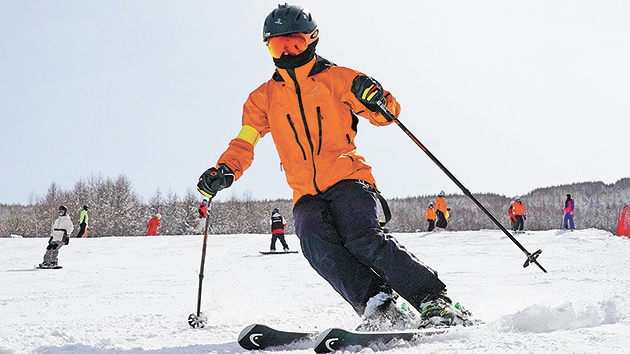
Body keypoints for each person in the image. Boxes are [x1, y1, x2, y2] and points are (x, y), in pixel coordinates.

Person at [196, 3, 472, 329]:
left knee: (363, 238)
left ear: (312, 40)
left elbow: (385, 113)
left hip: (347, 177)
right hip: (305, 193)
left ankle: (434, 300)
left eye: (294, 43)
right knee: (315, 247)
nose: (286, 53)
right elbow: (245, 141)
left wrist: (374, 96)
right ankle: (380, 307)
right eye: (277, 45)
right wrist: (225, 169)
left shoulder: (337, 78)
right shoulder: (262, 98)